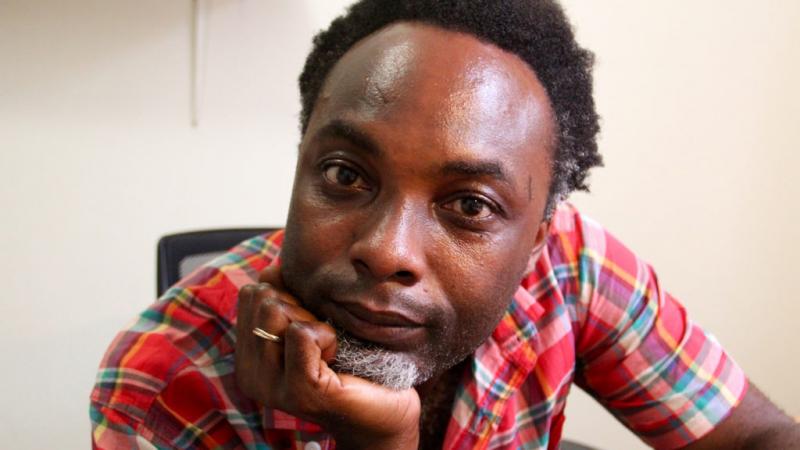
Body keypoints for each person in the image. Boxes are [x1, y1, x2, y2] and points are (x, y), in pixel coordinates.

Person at [90, 1, 800, 449]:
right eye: (345, 175)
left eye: (470, 206)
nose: (387, 251)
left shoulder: (573, 267)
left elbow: (757, 437)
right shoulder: (165, 386)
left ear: (538, 240)